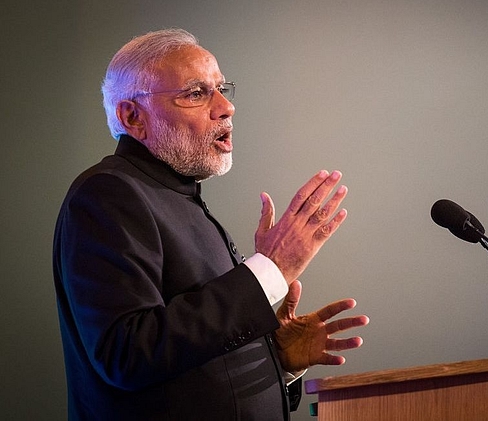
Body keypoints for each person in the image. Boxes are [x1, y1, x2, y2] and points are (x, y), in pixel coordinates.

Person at [52, 28, 369, 421]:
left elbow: (199, 363)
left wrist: (278, 363)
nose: (226, 107)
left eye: (222, 89)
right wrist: (271, 268)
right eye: (197, 93)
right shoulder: (108, 193)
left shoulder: (181, 196)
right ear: (132, 116)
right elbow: (127, 354)